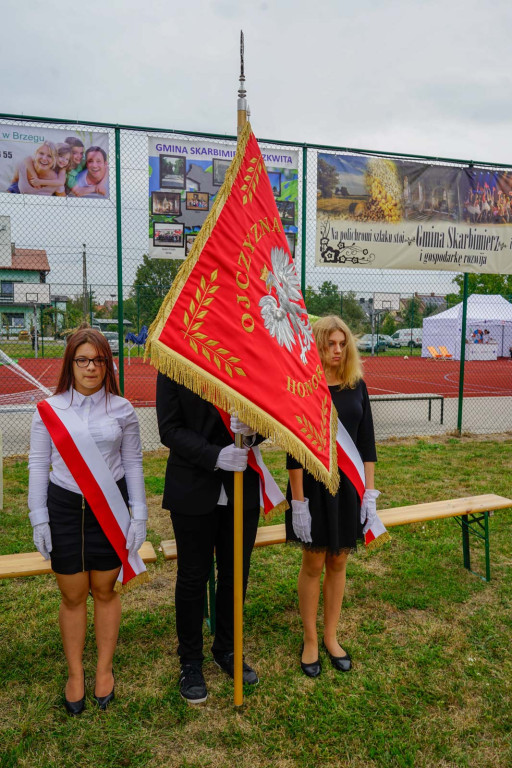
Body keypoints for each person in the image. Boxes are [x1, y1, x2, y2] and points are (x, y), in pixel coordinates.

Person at [28, 327, 147, 714]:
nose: (91, 367)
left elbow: (132, 462)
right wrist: (39, 518)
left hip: (109, 508)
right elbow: (36, 463)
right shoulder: (51, 408)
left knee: (106, 590)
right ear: (70, 363)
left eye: (98, 359)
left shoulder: (123, 409)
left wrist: (139, 514)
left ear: (108, 364)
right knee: (73, 595)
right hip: (64, 508)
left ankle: (103, 669)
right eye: (83, 360)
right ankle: (75, 673)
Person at [156, 373, 261, 703]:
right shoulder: (175, 359)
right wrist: (214, 456)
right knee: (192, 577)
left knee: (234, 574)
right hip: (193, 483)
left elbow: (268, 414)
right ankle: (190, 661)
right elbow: (169, 429)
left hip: (241, 486)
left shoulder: (244, 356)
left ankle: (227, 649)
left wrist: (255, 430)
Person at [286, 315, 378, 677]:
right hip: (312, 487)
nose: (337, 350)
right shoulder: (305, 386)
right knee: (313, 563)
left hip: (349, 488)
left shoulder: (357, 384)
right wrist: (298, 502)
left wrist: (369, 492)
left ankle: (330, 636)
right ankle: (309, 639)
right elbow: (294, 449)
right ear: (317, 345)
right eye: (330, 343)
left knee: (339, 561)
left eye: (342, 343)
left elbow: (367, 442)